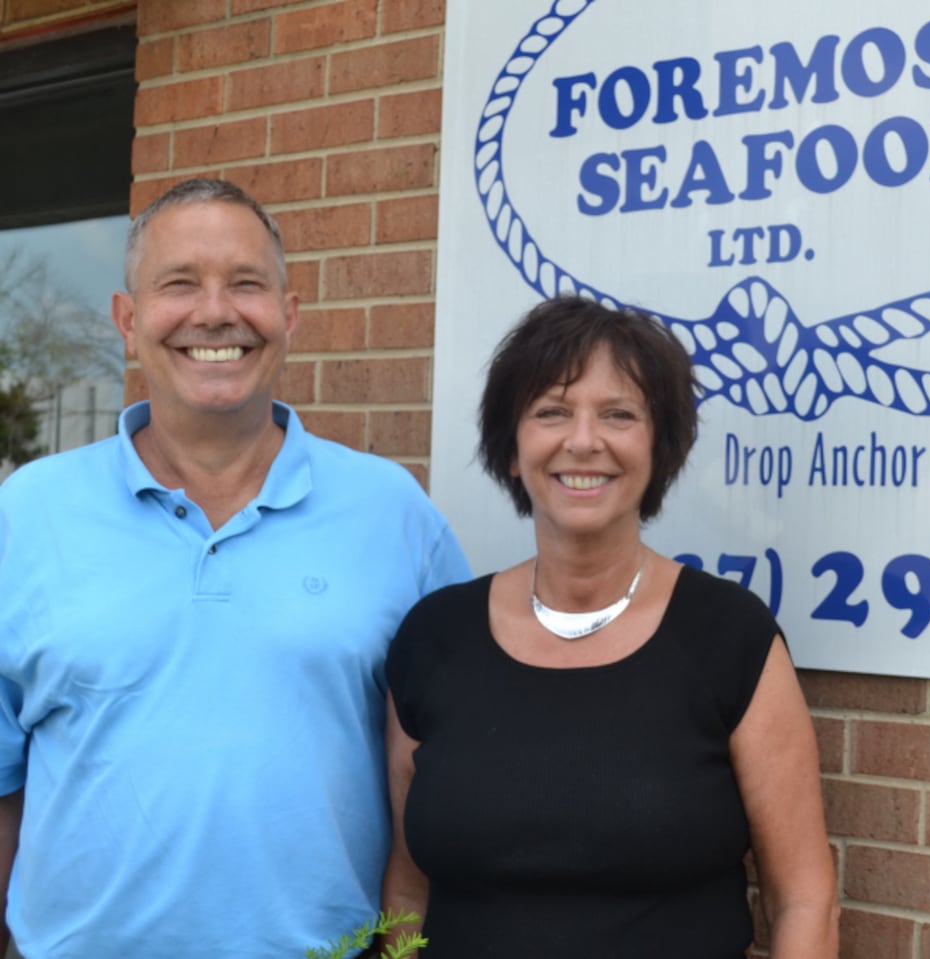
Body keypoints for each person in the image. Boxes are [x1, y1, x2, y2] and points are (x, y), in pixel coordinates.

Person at [0, 178, 472, 958]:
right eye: (179, 283)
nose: (215, 312)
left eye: (246, 284)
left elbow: (445, 771)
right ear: (127, 320)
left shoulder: (393, 513)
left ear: (288, 315)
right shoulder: (28, 513)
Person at [382, 296, 839, 957]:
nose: (584, 439)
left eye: (618, 414)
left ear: (661, 447)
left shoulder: (729, 638)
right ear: (512, 449)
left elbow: (803, 898)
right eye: (551, 412)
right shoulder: (433, 639)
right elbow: (407, 886)